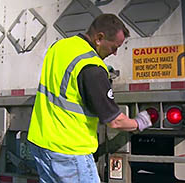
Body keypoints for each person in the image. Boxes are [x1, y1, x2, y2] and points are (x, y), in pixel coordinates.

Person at [27, 14, 152, 183]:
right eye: (114, 47)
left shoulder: (59, 46)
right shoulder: (92, 67)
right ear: (99, 38)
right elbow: (115, 121)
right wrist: (140, 122)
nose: (115, 53)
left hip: (41, 144)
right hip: (69, 151)